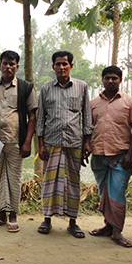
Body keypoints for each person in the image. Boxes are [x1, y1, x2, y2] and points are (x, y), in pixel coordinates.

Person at [36, 50, 92, 238]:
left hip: (74, 142)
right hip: (51, 142)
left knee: (73, 183)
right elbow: (40, 119)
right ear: (53, 67)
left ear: (71, 66)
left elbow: (86, 116)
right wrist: (40, 145)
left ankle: (72, 222)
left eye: (64, 64)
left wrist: (87, 142)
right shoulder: (46, 89)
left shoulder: (81, 87)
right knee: (49, 182)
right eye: (58, 64)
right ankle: (47, 219)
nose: (61, 67)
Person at [0, 50, 36, 233]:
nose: (8, 67)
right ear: (0, 66)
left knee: (14, 178)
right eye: (5, 63)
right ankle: (0, 214)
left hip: (15, 140)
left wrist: (27, 142)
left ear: (17, 67)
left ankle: (13, 215)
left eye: (12, 64)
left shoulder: (25, 88)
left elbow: (32, 116)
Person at [88, 66, 132, 248]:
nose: (110, 81)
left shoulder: (130, 102)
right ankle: (108, 226)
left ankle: (117, 231)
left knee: (117, 194)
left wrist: (131, 154)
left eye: (114, 78)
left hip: (121, 155)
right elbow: (88, 128)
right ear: (102, 80)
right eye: (107, 78)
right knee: (104, 193)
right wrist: (85, 146)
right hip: (98, 155)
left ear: (120, 80)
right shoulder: (93, 103)